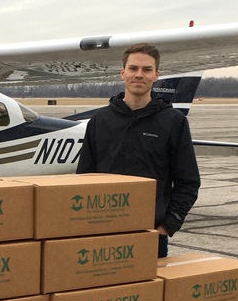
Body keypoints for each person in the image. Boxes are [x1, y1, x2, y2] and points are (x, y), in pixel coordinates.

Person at [76, 43, 200, 257]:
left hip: (151, 234)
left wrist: (167, 226)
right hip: (104, 231)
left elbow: (188, 181)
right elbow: (84, 176)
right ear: (123, 73)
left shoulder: (173, 121)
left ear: (156, 75)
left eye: (146, 70)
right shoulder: (100, 120)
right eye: (133, 69)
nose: (139, 75)